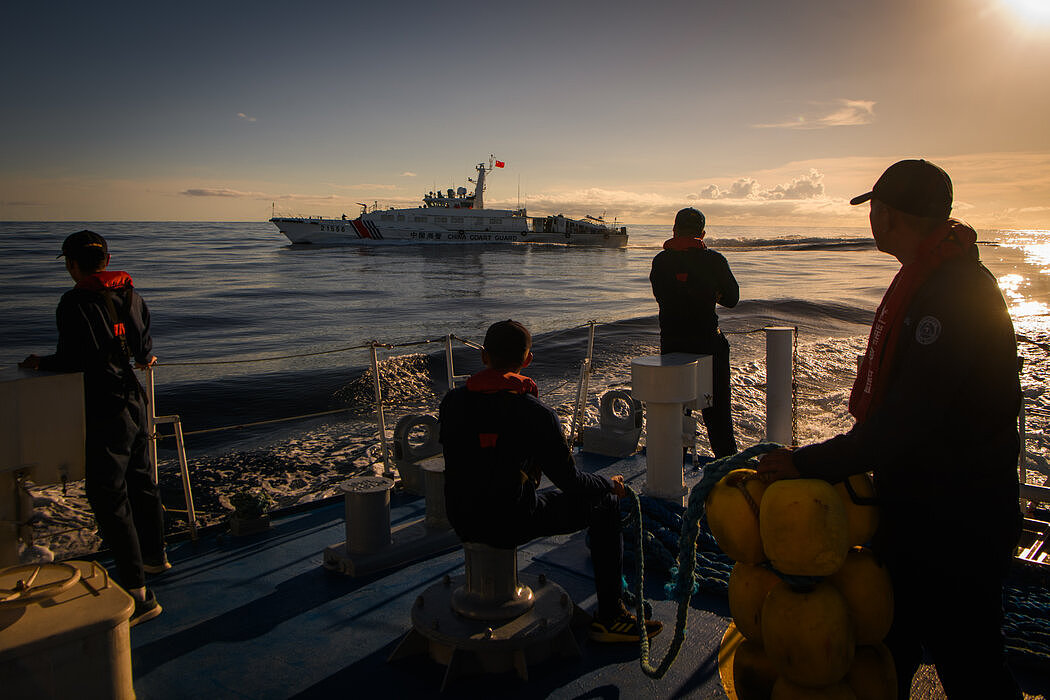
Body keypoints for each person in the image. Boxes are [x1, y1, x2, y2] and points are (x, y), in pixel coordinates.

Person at [757, 160, 1022, 699]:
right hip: (920, 505)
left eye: (874, 207)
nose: (870, 218)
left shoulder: (951, 295)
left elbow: (907, 422)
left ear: (892, 215)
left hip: (956, 520)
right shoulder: (935, 277)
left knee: (969, 661)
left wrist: (806, 463)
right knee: (890, 648)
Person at [439, 320, 663, 642]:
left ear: (484, 356)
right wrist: (608, 485)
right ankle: (611, 618)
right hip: (512, 521)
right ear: (528, 360)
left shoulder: (452, 403)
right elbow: (571, 482)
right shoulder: (536, 414)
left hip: (460, 517)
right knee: (606, 505)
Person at [20, 230, 169, 627]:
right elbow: (142, 349)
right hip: (136, 401)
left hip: (105, 407)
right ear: (107, 259)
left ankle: (138, 595)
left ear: (72, 264)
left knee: (108, 495)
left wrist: (41, 363)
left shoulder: (75, 301)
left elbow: (74, 358)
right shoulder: (132, 295)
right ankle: (155, 558)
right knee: (141, 482)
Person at [650, 207, 740, 458]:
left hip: (672, 345)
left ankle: (671, 468)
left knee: (675, 413)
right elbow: (732, 299)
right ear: (702, 233)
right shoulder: (714, 260)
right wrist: (713, 292)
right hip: (708, 344)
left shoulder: (660, 261)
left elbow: (662, 296)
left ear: (674, 230)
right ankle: (727, 468)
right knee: (718, 415)